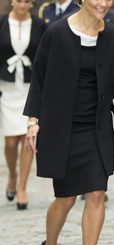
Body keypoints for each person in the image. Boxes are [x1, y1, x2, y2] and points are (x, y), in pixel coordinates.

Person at [23, 0, 114, 245]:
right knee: (66, 199)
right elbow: (39, 78)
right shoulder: (57, 33)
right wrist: (33, 121)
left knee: (96, 194)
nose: (104, 4)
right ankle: (50, 244)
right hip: (62, 130)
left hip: (97, 128)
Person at [0, 0, 46, 210]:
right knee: (10, 142)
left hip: (30, 89)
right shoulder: (1, 23)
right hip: (6, 89)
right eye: (19, 0)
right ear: (12, 2)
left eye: (27, 1)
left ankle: (21, 188)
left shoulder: (39, 25)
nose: (23, 5)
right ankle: (12, 175)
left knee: (28, 138)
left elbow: (45, 57)